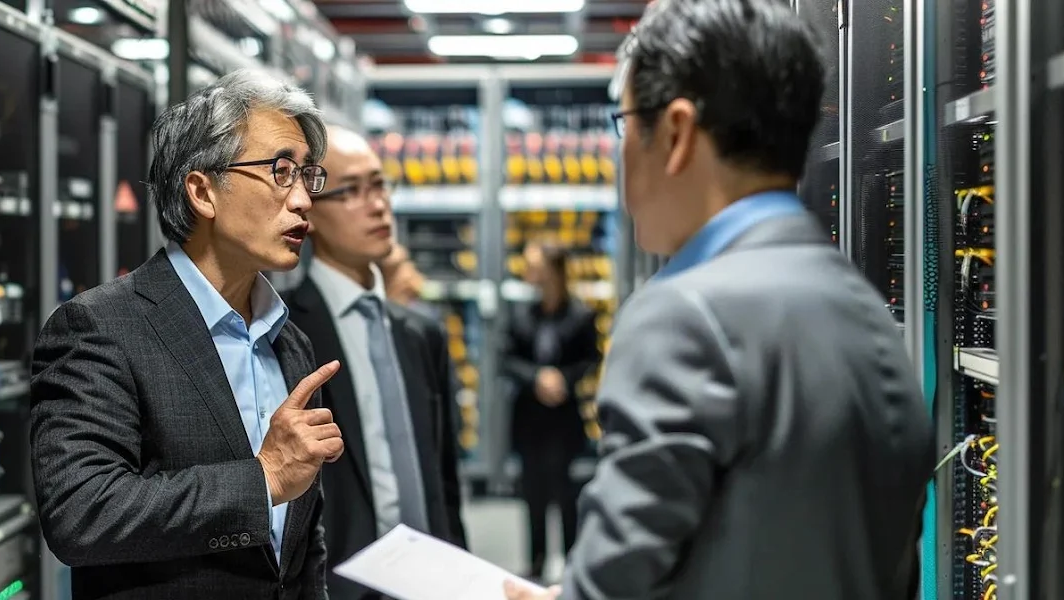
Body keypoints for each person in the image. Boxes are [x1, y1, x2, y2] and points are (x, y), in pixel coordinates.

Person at [505, 0, 933, 598]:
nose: (621, 153)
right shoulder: (870, 316)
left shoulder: (682, 317)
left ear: (676, 133)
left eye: (624, 123)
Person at [29, 69, 343, 599]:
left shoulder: (289, 341)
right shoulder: (101, 328)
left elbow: (300, 543)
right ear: (203, 191)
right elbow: (80, 513)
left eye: (308, 175)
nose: (304, 202)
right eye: (281, 171)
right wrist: (262, 478)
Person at [286, 126, 467, 600]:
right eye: (351, 192)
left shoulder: (420, 333)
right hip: (341, 584)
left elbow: (444, 477)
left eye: (380, 185)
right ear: (311, 209)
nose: (377, 204)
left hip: (432, 579)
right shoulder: (284, 331)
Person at [502, 242, 600, 583]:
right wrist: (536, 378)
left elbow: (591, 359)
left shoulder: (581, 314)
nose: (527, 270)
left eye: (533, 264)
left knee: (567, 494)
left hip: (564, 420)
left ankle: (571, 566)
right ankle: (536, 564)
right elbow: (507, 358)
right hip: (530, 418)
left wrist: (564, 379)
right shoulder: (520, 313)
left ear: (552, 270)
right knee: (533, 494)